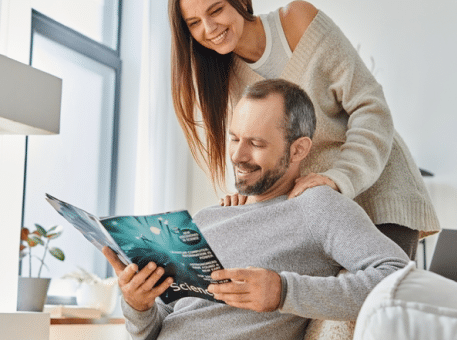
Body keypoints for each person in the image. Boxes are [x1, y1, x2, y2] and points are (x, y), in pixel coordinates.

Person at [0, 79, 410, 340]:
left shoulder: (316, 206)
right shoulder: (209, 218)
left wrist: (284, 291)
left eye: (256, 143)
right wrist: (138, 303)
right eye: (234, 138)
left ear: (298, 150)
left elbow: (398, 278)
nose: (238, 155)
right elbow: (152, 337)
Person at [169, 0, 440, 259]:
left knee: (377, 289)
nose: (209, 28)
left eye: (216, 10)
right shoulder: (220, 73)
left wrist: (339, 178)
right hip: (320, 210)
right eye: (194, 22)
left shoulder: (296, 22)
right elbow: (259, 149)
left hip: (378, 192)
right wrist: (247, 196)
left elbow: (370, 107)